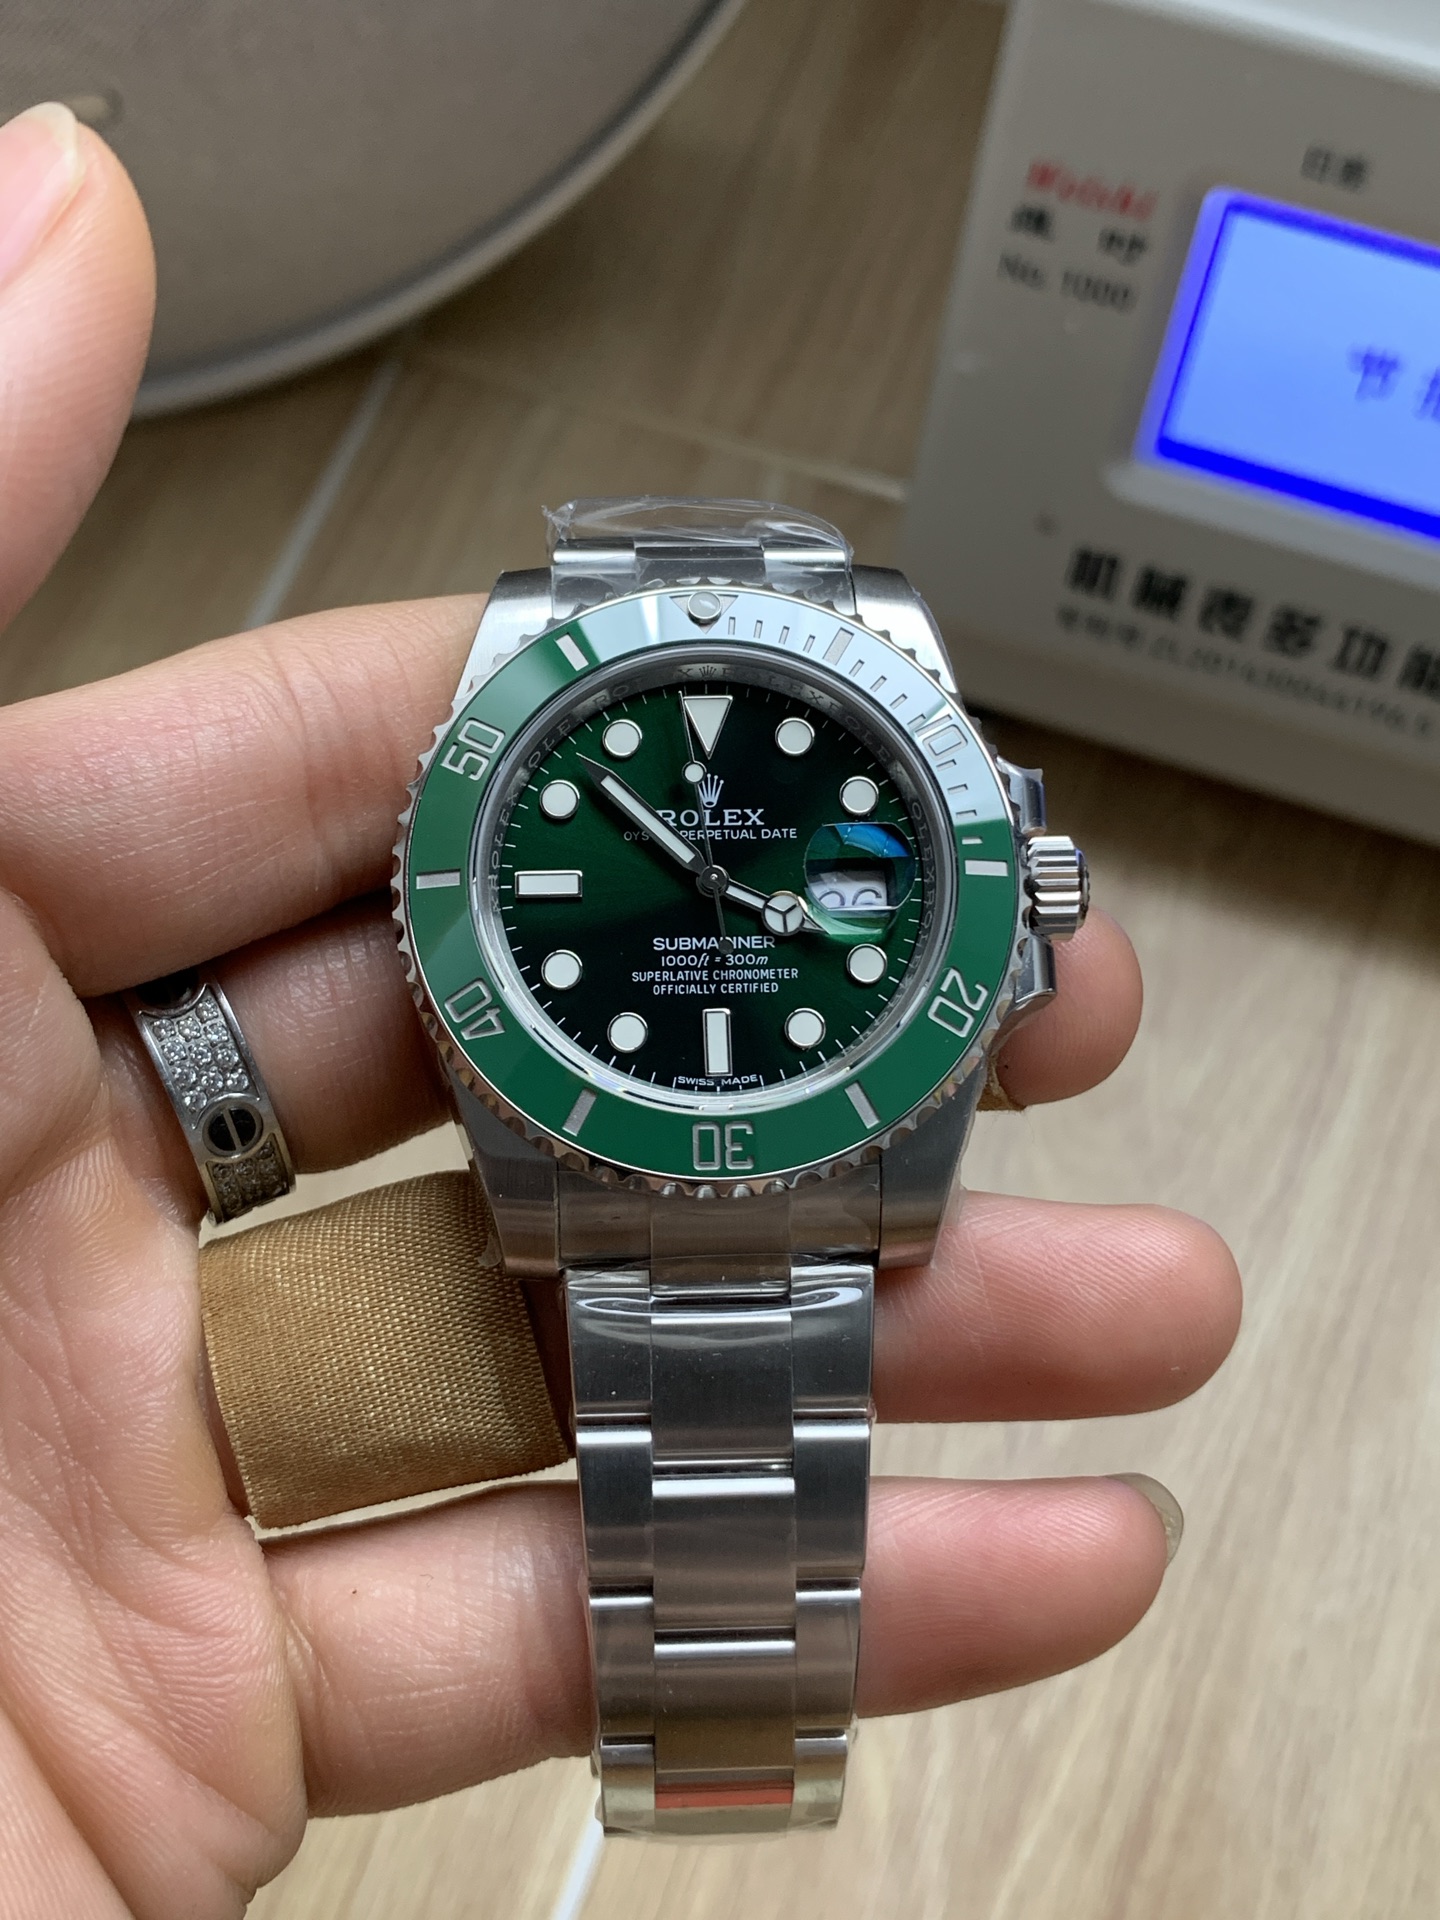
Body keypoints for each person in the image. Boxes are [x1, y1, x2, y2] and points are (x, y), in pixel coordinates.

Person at [0, 103, 1241, 1916]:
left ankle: (724, 1747)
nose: (724, 896)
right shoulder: (586, 833)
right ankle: (718, 1749)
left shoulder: (835, 778)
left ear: (1011, 889)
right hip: (608, 1155)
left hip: (749, 1143)